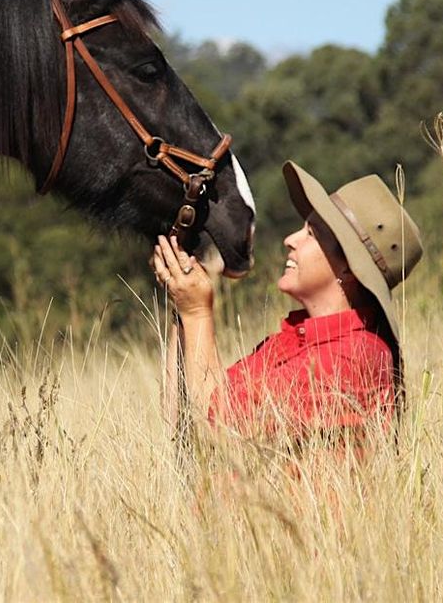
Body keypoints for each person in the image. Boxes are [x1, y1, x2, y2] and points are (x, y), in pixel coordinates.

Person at [152, 161, 423, 448]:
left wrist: (197, 313)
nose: (290, 240)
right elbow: (182, 422)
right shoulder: (288, 343)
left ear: (349, 269)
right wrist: (181, 307)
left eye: (312, 234)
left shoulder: (354, 357)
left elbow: (219, 434)